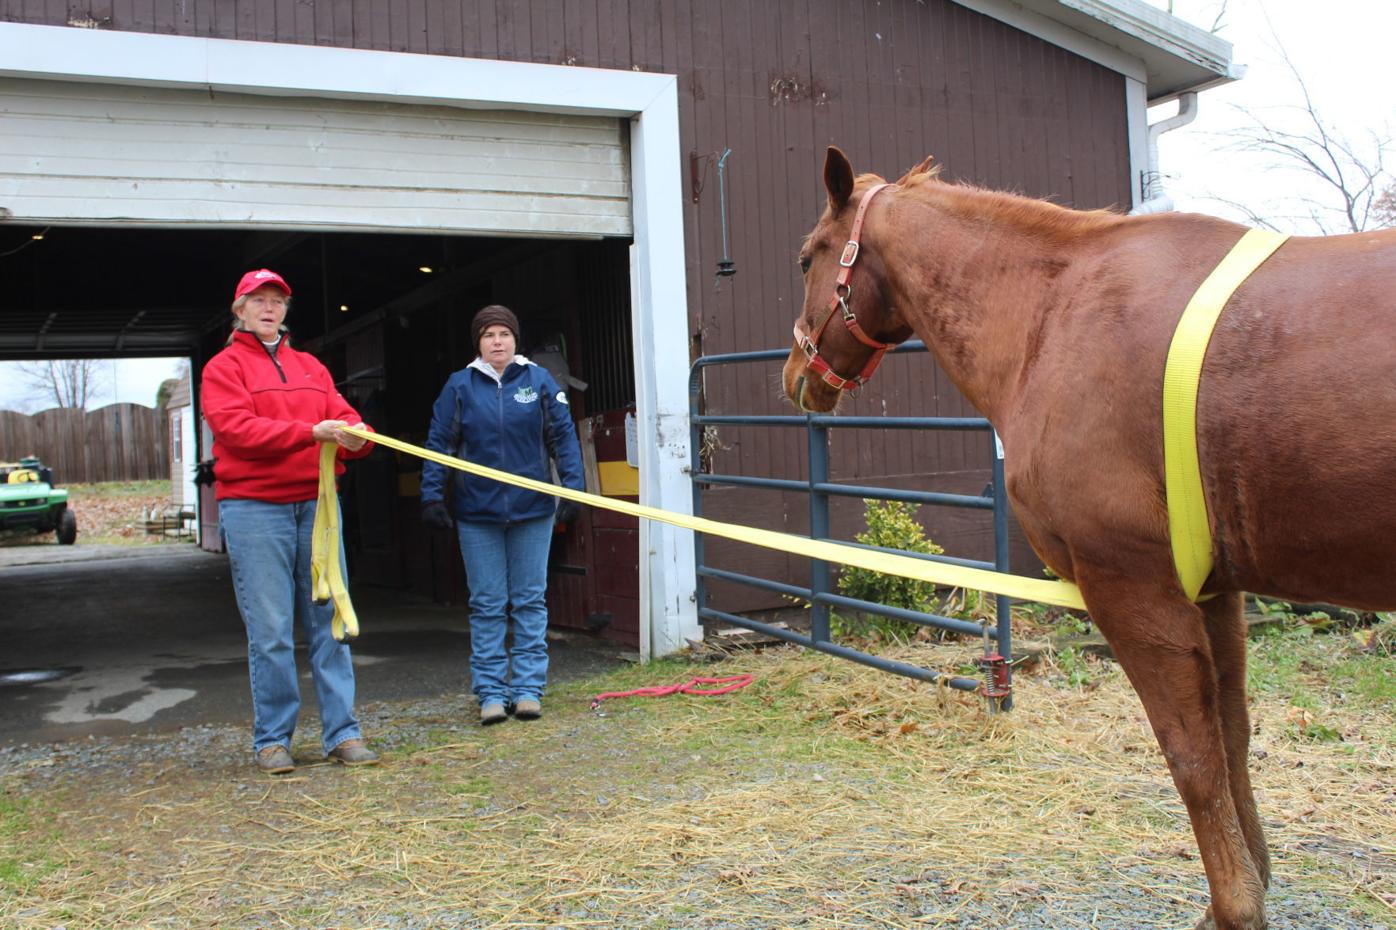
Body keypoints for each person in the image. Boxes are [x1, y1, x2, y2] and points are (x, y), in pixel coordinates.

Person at [201, 268, 381, 774]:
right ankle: (273, 739)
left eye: (277, 300)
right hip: (255, 508)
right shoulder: (222, 368)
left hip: (317, 507)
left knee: (331, 620)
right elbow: (236, 431)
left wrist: (358, 436)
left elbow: (347, 418)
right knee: (272, 628)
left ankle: (342, 733)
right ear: (239, 309)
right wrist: (310, 432)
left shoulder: (311, 368)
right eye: (258, 300)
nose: (268, 308)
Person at [420, 304, 585, 726]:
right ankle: (491, 691)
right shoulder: (460, 387)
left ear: (515, 339)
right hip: (478, 513)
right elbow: (439, 443)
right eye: (489, 335)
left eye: (504, 334)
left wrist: (573, 488)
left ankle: (528, 688)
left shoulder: (538, 381)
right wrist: (432, 496)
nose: (498, 342)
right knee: (488, 603)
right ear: (478, 343)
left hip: (532, 510)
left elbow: (562, 437)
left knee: (530, 600)